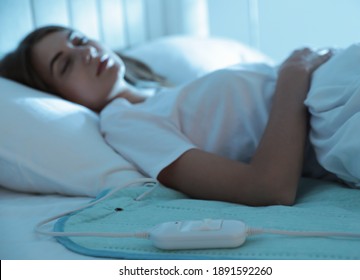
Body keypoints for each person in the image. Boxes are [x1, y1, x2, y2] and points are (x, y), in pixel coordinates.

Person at [0, 25, 334, 206]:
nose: (85, 52)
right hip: (332, 107)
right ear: (60, 98)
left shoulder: (160, 96)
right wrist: (293, 74)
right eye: (66, 64)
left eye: (79, 40)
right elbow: (267, 188)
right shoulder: (123, 123)